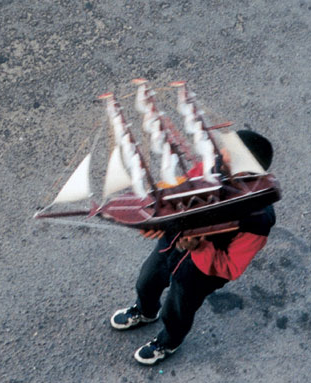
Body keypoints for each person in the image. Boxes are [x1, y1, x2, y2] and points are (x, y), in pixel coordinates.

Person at [109, 130, 277, 365]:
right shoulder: (214, 165)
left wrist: (199, 246)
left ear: (245, 167)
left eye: (230, 151)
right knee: (147, 280)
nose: (222, 150)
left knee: (178, 309)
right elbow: (183, 191)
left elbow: (231, 267)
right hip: (172, 242)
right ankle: (146, 312)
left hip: (200, 273)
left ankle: (169, 342)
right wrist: (158, 219)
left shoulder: (258, 220)